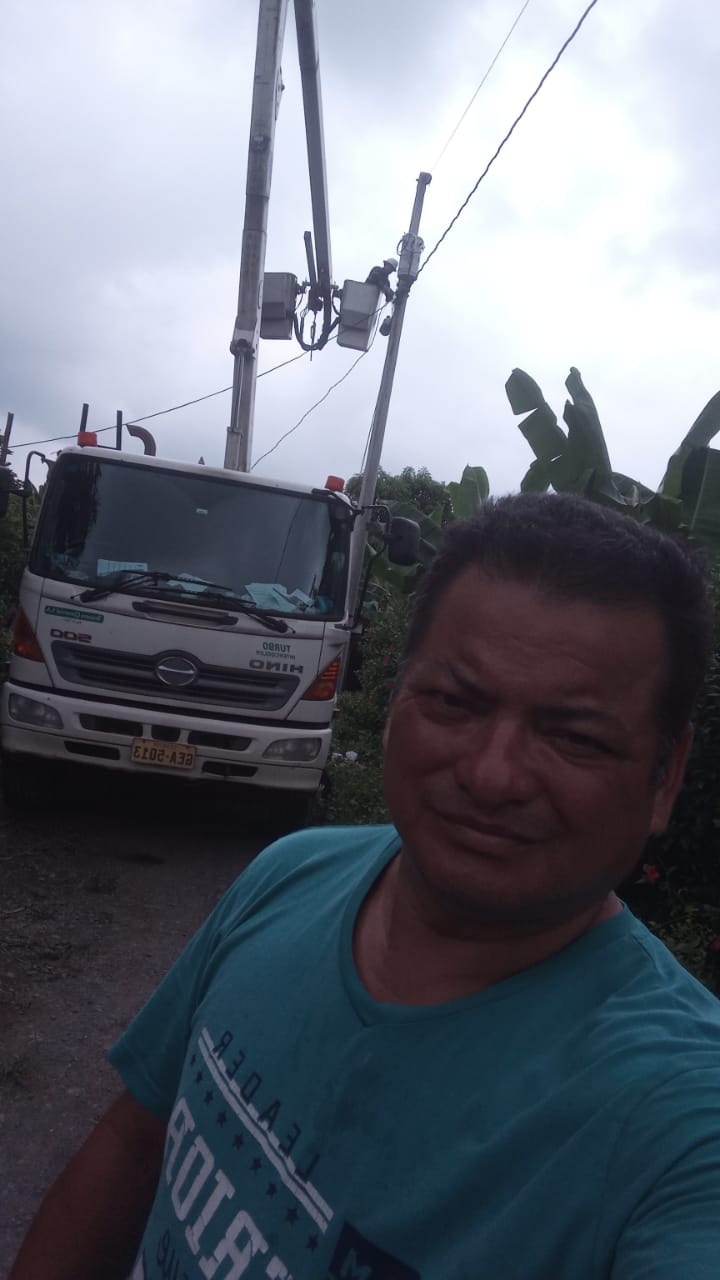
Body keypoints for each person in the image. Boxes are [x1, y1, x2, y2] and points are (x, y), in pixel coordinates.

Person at [11, 492, 720, 1280]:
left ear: (666, 777)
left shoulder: (680, 1124)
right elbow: (133, 1146)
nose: (492, 776)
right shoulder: (289, 874)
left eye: (575, 738)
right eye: (453, 702)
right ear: (392, 699)